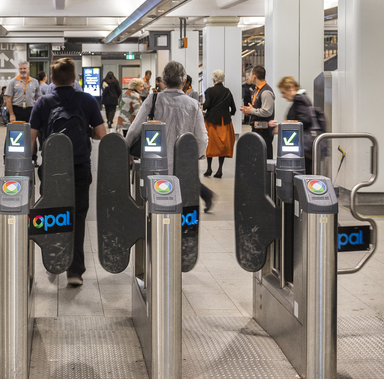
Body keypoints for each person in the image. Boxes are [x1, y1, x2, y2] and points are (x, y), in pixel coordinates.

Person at [29, 57, 106, 286]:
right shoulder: (87, 101)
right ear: (75, 79)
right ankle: (75, 271)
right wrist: (85, 133)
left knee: (52, 215)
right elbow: (102, 134)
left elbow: (29, 140)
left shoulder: (43, 103)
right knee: (78, 218)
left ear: (52, 79)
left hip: (52, 169)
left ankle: (53, 262)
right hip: (80, 167)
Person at [127, 61, 212, 211]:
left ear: (164, 81)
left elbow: (134, 130)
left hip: (155, 167)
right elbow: (202, 139)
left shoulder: (153, 100)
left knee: (156, 206)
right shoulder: (193, 105)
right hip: (184, 167)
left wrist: (127, 150)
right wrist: (197, 156)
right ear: (184, 82)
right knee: (181, 207)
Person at [271, 76, 318, 174]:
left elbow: (304, 120)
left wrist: (283, 127)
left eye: (283, 92)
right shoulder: (301, 99)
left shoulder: (299, 100)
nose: (283, 96)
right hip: (302, 148)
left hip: (304, 148)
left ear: (291, 87)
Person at [202, 69, 237, 178]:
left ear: (214, 79)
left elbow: (206, 105)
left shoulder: (209, 91)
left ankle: (209, 168)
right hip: (224, 122)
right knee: (222, 146)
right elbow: (234, 108)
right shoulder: (227, 91)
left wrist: (202, 107)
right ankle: (220, 170)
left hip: (211, 122)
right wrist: (229, 114)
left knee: (210, 145)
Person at [241, 65, 275, 155]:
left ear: (254, 76)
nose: (250, 77)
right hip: (257, 128)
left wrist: (252, 111)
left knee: (264, 155)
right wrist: (249, 111)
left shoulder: (266, 92)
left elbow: (267, 111)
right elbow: (257, 108)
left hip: (264, 131)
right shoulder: (256, 90)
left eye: (251, 75)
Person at [6, 61, 40, 125]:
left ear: (28, 69)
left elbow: (38, 98)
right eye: (21, 69)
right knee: (17, 131)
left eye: (24, 68)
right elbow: (8, 99)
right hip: (17, 110)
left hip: (30, 110)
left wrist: (38, 112)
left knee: (30, 130)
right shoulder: (12, 82)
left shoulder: (35, 82)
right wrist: (11, 114)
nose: (22, 70)